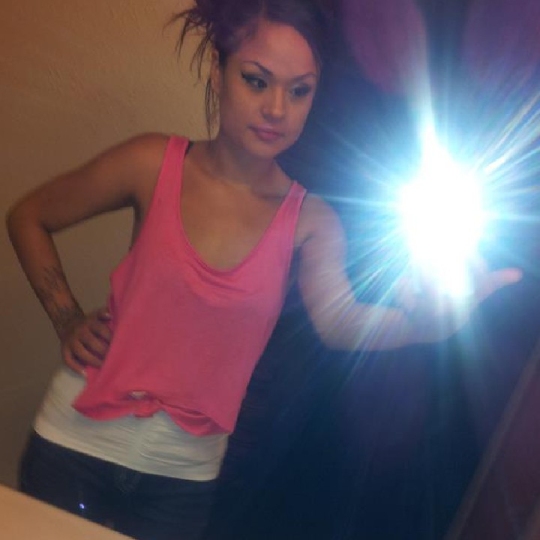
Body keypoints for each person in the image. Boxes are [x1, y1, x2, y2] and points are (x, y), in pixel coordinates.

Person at [5, 0, 521, 539]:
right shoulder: (151, 163)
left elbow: (341, 324)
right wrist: (67, 319)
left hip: (181, 480)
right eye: (256, 81)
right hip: (74, 446)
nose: (277, 108)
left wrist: (431, 326)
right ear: (218, 72)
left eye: (299, 91)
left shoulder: (310, 221)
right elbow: (29, 217)